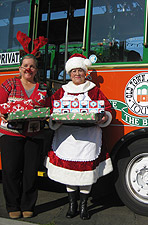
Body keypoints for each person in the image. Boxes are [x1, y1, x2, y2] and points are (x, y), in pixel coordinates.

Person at [45, 53, 113, 220]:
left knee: (86, 171)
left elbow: (108, 109)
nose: (77, 74)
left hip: (89, 137)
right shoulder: (62, 91)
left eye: (80, 71)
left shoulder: (94, 90)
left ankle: (83, 206)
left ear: (85, 73)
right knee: (70, 171)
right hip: (67, 137)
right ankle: (72, 205)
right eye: (74, 71)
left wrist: (104, 117)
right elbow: (50, 109)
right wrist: (53, 119)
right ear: (69, 74)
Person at [0, 54, 49, 219]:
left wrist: (45, 115)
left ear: (36, 70)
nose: (29, 69)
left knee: (30, 173)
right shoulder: (9, 83)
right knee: (11, 171)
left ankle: (27, 205)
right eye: (25, 65)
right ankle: (13, 205)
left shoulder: (42, 88)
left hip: (34, 135)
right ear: (20, 68)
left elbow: (48, 107)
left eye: (32, 66)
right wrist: (4, 112)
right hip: (10, 134)